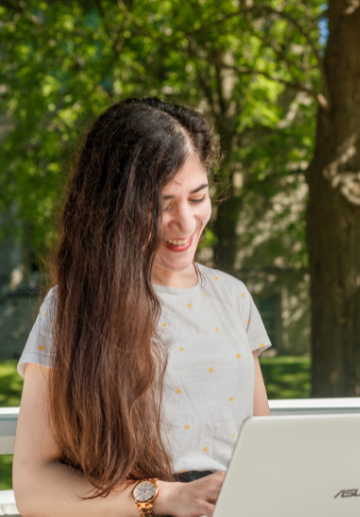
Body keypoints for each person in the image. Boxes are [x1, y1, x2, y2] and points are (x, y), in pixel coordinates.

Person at [12, 97, 273, 517]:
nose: (186, 223)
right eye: (163, 204)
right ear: (114, 207)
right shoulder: (70, 308)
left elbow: (267, 451)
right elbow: (33, 486)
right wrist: (163, 496)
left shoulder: (233, 296)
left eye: (197, 197)